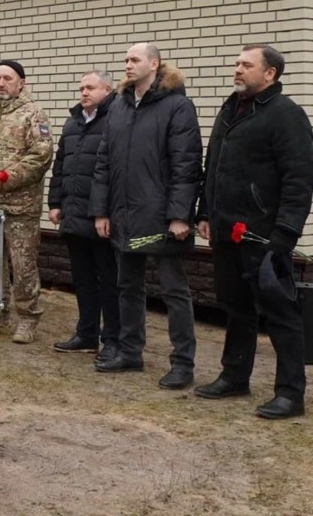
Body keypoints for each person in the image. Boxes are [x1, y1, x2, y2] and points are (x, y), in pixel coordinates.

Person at [194, 45, 313, 419]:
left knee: (281, 315)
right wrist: (205, 211)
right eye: (237, 64)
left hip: (264, 234)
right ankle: (234, 376)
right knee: (236, 307)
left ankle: (290, 394)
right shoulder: (231, 109)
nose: (237, 70)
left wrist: (285, 235)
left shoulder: (286, 115)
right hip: (226, 231)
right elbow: (212, 164)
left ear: (270, 74)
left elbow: (299, 179)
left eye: (247, 65)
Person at [90, 43, 201, 390]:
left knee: (173, 290)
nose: (127, 65)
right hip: (124, 215)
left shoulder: (177, 106)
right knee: (128, 286)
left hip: (162, 218)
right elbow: (104, 163)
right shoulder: (120, 108)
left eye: (134, 59)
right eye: (125, 59)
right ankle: (130, 351)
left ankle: (183, 363)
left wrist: (180, 215)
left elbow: (186, 165)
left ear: (154, 64)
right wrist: (101, 210)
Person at [0, 59, 53, 344]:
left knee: (22, 264)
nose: (1, 83)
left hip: (19, 208)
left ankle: (28, 318)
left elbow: (41, 156)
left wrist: (7, 176)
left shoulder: (33, 114)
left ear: (21, 83)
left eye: (8, 78)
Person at [48, 71, 120, 361]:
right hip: (74, 215)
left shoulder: (116, 120)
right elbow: (60, 166)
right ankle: (86, 333)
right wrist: (55, 203)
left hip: (102, 217)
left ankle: (113, 338)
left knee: (109, 280)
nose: (84, 92)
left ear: (107, 89)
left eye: (90, 87)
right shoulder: (73, 122)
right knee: (83, 278)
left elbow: (116, 171)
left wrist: (107, 212)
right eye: (81, 88)